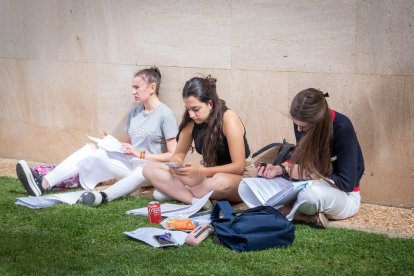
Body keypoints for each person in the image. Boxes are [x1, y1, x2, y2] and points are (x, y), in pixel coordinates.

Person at [16, 66, 178, 206]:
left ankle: (101, 196)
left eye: (137, 87)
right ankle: (43, 183)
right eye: (132, 87)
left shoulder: (165, 115)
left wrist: (141, 154)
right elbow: (130, 145)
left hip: (147, 171)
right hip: (130, 164)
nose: (132, 91)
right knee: (93, 148)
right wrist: (112, 143)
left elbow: (174, 156)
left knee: (112, 159)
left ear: (152, 87)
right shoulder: (135, 111)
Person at [256, 88, 365, 228]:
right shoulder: (301, 125)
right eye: (296, 125)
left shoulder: (343, 127)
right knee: (262, 182)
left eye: (303, 127)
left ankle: (291, 212)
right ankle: (300, 214)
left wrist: (308, 174)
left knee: (310, 196)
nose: (299, 130)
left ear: (319, 121)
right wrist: (280, 169)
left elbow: (347, 183)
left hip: (344, 195)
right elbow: (302, 157)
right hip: (310, 184)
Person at [143, 75, 255, 205]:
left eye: (195, 109)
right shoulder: (191, 122)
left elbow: (238, 167)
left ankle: (179, 192)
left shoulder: (228, 118)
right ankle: (195, 201)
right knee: (149, 169)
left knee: (219, 182)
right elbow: (178, 155)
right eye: (188, 109)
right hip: (209, 174)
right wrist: (175, 166)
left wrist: (200, 171)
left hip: (238, 178)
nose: (191, 114)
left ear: (210, 104)